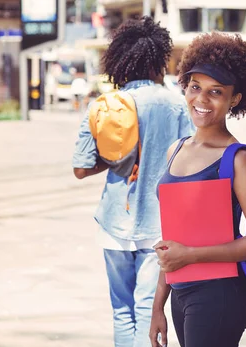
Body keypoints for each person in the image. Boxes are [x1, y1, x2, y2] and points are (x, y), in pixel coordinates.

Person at [148, 32, 246, 347]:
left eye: (215, 92)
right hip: (180, 291)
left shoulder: (238, 159)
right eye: (195, 87)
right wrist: (157, 306)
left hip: (218, 292)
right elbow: (173, 239)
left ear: (235, 99)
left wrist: (189, 255)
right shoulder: (175, 150)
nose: (201, 100)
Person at [72, 17, 194, 347]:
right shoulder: (177, 105)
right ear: (159, 58)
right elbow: (189, 162)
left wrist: (117, 161)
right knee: (146, 309)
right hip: (159, 223)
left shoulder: (105, 105)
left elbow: (81, 168)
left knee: (121, 311)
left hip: (113, 223)